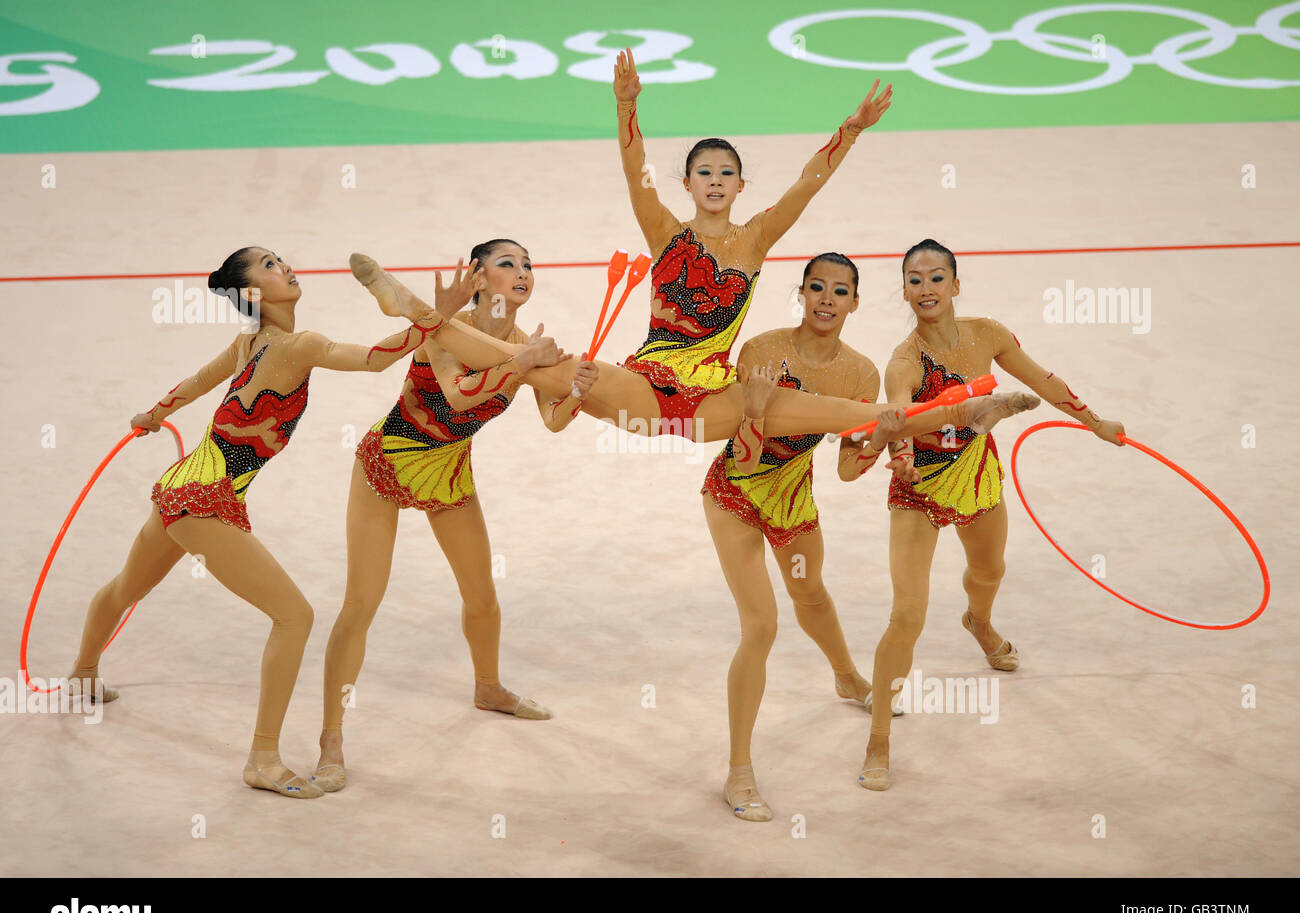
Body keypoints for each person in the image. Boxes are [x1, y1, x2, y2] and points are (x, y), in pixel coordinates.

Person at [346, 56, 1038, 445]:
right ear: (688, 183)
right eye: (702, 172)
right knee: (542, 367)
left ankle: (971, 409)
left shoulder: (758, 237)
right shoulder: (665, 234)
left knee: (847, 416)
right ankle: (406, 304)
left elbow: (808, 184)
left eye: (725, 173)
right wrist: (625, 105)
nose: (713, 181)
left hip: (717, 396)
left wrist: (850, 129)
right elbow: (630, 167)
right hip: (645, 383)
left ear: (739, 184)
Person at [66, 246, 480, 799]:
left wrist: (154, 415)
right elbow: (377, 359)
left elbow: (196, 382)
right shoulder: (297, 345)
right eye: (268, 265)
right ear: (254, 293)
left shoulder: (248, 344)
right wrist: (436, 315)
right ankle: (262, 758)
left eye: (280, 258)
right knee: (294, 616)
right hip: (206, 499)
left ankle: (83, 673)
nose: (285, 265)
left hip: (179, 489)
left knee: (125, 587)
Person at [314, 239, 597, 792]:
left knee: (482, 594)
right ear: (477, 276)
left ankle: (488, 687)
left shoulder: (525, 342)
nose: (522, 272)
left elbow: (553, 421)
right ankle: (330, 736)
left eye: (528, 265)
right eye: (508, 263)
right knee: (361, 604)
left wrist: (575, 393)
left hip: (448, 471)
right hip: (389, 463)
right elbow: (460, 395)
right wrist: (523, 363)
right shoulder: (445, 329)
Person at [859, 239, 1125, 792]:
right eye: (914, 279)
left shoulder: (990, 335)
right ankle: (879, 738)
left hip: (975, 471)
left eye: (936, 277)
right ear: (905, 291)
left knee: (990, 571)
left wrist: (1095, 422)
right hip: (920, 489)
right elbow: (899, 415)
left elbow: (1044, 380)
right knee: (906, 615)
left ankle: (978, 622)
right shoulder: (904, 361)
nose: (926, 288)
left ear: (957, 285)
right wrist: (901, 457)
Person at [703, 253, 909, 821]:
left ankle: (846, 677)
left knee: (811, 594)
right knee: (762, 623)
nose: (825, 299)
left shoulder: (862, 374)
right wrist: (756, 411)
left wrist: (877, 443)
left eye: (838, 291)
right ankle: (738, 771)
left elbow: (845, 468)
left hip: (792, 493)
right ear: (801, 293)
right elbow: (740, 449)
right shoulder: (763, 352)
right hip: (736, 492)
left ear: (854, 302)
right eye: (816, 287)